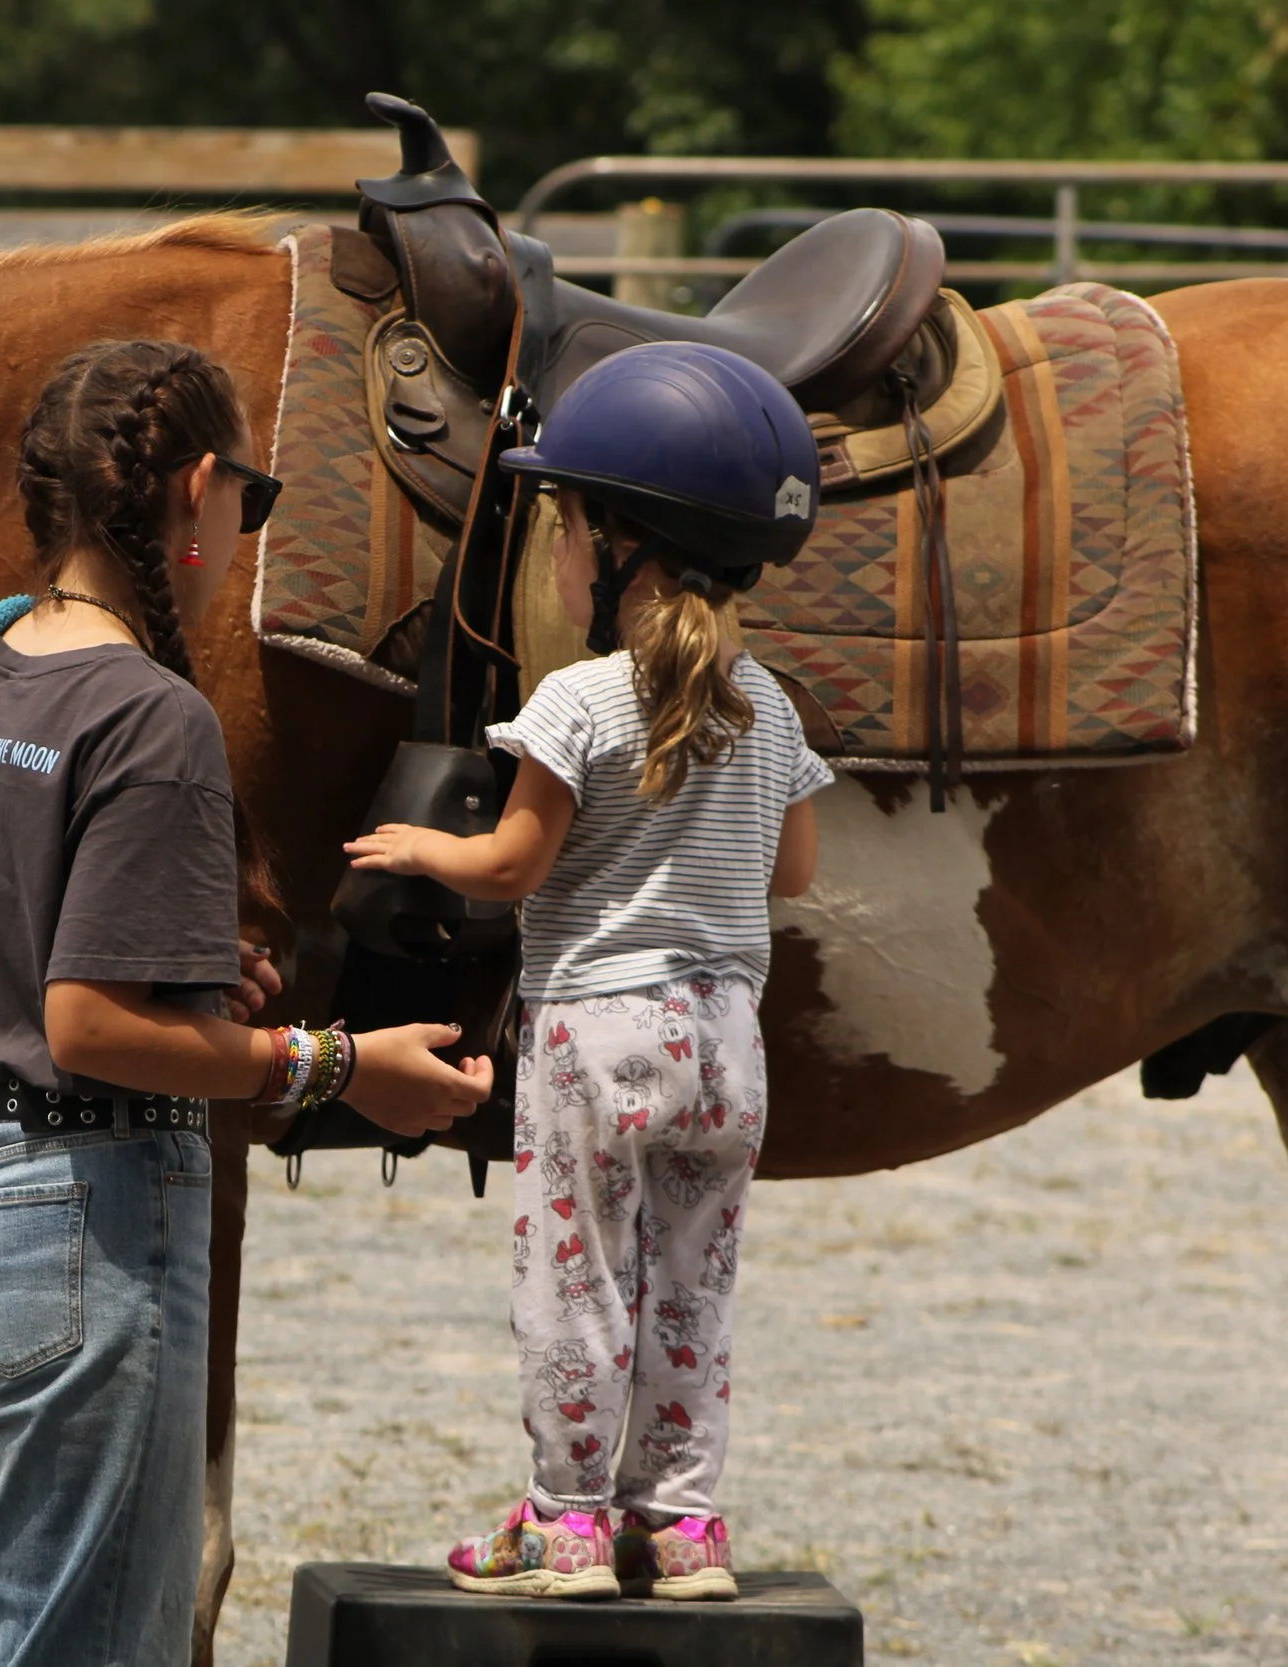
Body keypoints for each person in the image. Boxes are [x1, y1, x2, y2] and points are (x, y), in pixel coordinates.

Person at [0, 339, 494, 1664]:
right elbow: (89, 1027)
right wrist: (336, 1062)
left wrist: (159, 979)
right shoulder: (152, 715)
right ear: (198, 487)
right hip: (80, 1224)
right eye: (254, 490)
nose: (248, 520)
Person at [345, 341, 833, 1603]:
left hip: (599, 1034)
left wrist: (419, 847)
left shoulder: (578, 698)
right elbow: (790, 872)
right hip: (726, 1042)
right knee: (693, 1285)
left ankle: (565, 1520)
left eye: (563, 524)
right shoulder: (769, 705)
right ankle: (679, 1526)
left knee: (578, 1280)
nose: (557, 550)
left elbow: (513, 864)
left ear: (617, 547)